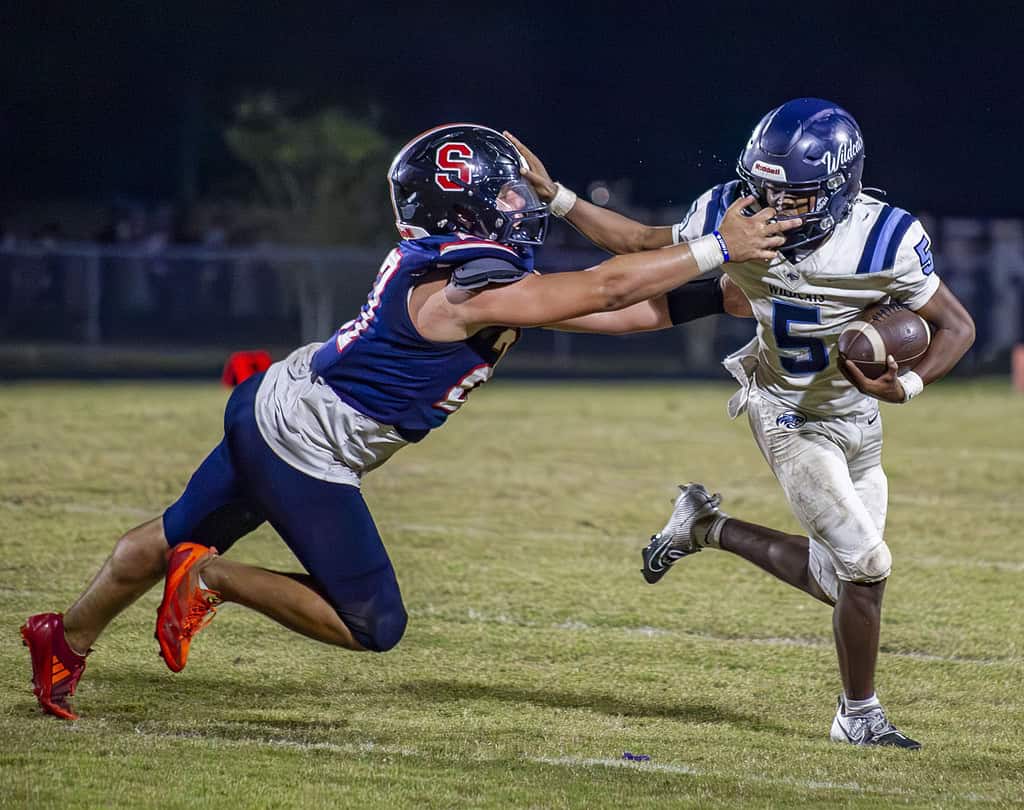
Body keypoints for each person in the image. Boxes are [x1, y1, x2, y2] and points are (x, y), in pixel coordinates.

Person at [21, 123, 797, 721]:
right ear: (462, 205)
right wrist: (714, 247)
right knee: (372, 622)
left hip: (277, 404)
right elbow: (602, 290)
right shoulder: (467, 287)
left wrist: (734, 292)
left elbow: (624, 310)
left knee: (162, 534)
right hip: (303, 448)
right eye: (504, 196)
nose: (518, 205)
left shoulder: (458, 264)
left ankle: (66, 639)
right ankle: (210, 575)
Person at [508, 98, 975, 749]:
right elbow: (641, 242)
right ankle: (859, 718)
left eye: (797, 197)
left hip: (859, 419)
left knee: (833, 580)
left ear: (842, 188)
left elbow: (956, 326)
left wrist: (909, 382)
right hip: (787, 415)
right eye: (767, 192)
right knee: (867, 565)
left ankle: (705, 526)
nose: (774, 210)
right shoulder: (734, 211)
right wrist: (555, 195)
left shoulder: (887, 237)